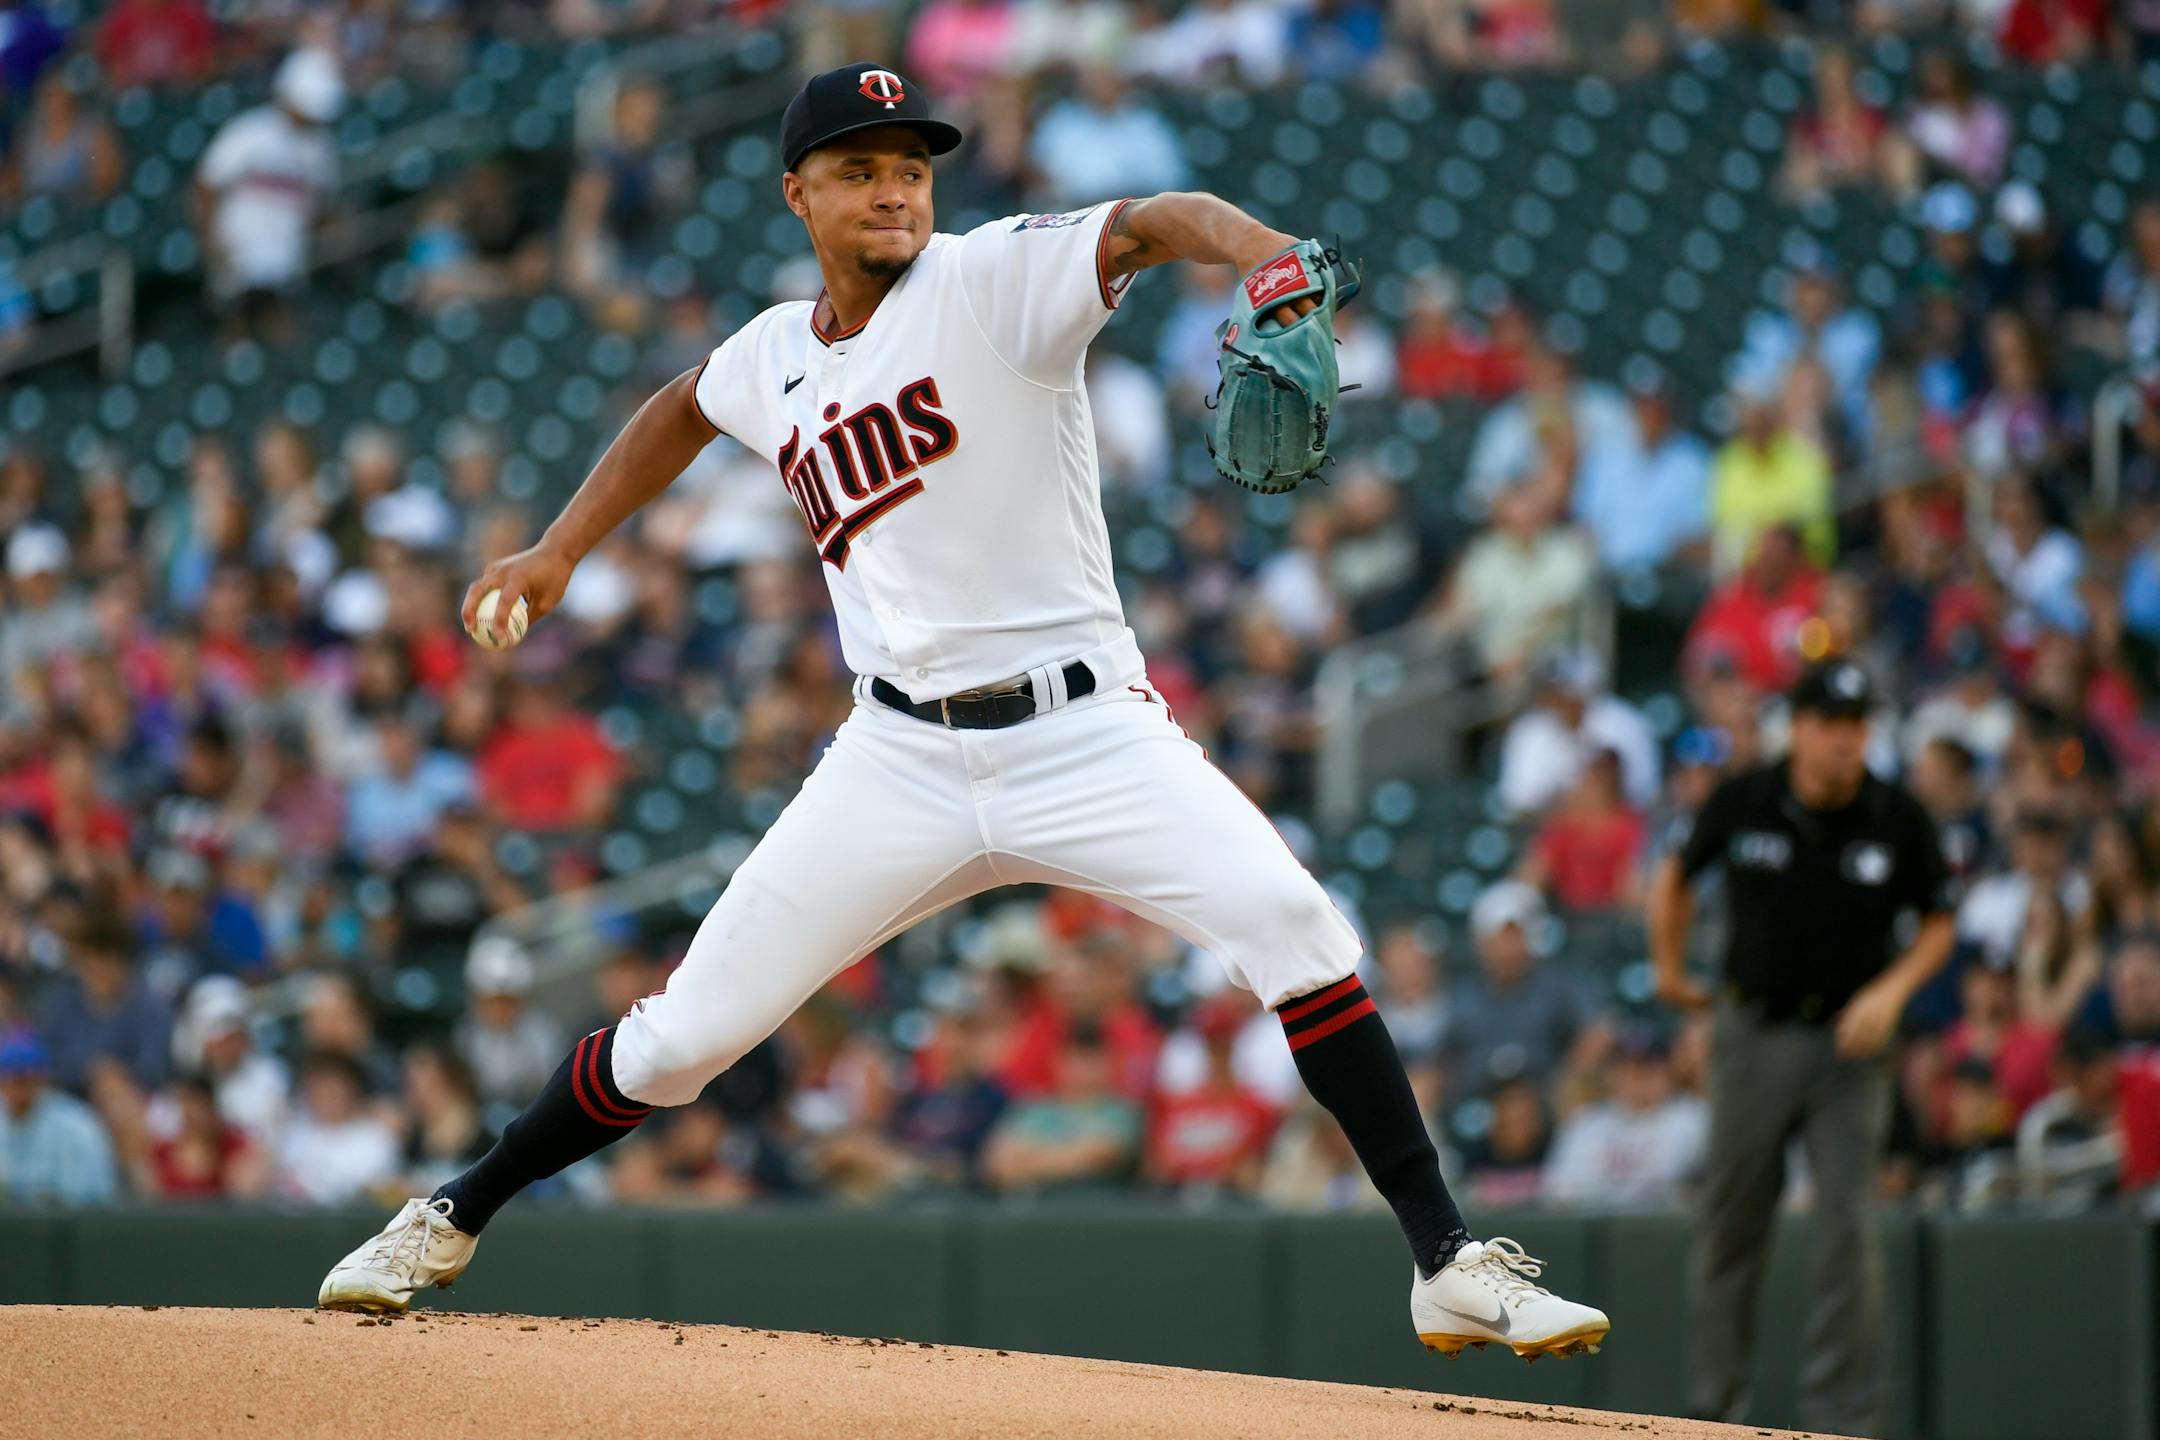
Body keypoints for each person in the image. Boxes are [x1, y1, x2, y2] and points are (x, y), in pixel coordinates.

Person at [317, 60, 1608, 1361]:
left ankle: (1445, 1260)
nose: (893, 190)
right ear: (798, 195)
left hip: (1086, 732)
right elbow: (681, 410)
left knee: (1297, 927)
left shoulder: (991, 281)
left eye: (911, 167)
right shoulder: (774, 354)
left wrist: (1265, 254)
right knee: (679, 1044)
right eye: (861, 169)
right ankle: (451, 1211)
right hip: (896, 759)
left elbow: (1156, 220)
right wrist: (558, 551)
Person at [1647, 659, 1955, 1437]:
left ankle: (1843, 1421)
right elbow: (1676, 875)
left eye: (1857, 726)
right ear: (1799, 727)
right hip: (1752, 1035)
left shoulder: (1896, 815)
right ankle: (1712, 1413)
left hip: (1849, 1053)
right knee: (1731, 1226)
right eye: (1831, 724)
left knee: (1848, 1235)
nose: (1845, 741)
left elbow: (1940, 920)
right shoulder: (1747, 796)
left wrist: (1890, 992)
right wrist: (1669, 967)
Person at [192, 48, 342, 344]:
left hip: (286, 257)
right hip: (240, 252)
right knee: (235, 328)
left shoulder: (319, 149)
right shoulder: (250, 131)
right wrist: (210, 237)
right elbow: (207, 182)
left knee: (282, 332)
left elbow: (321, 202)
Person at [0, 1030, 119, 1205]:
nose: (19, 1089)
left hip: (67, 1229)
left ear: (42, 1079)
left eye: (25, 1078)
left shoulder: (77, 1125)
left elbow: (94, 1198)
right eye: (12, 1078)